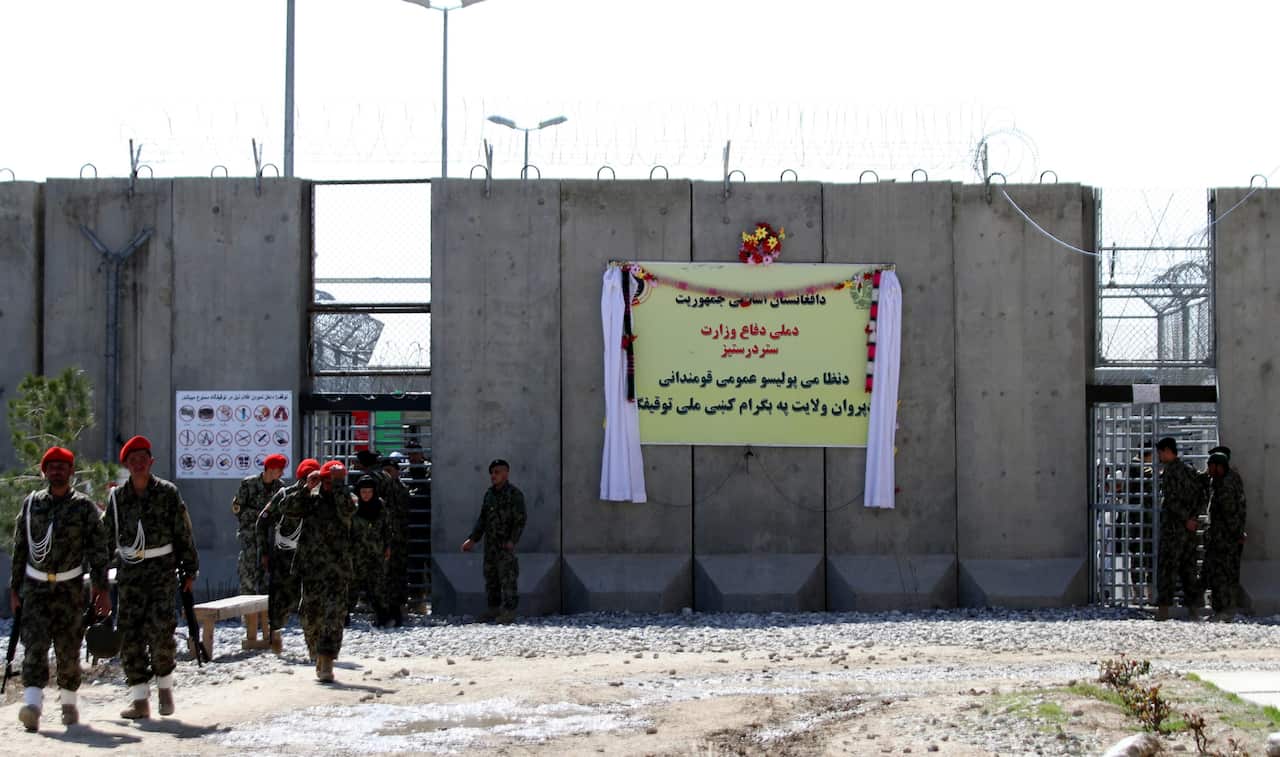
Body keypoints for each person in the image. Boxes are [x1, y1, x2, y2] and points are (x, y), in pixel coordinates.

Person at [9, 447, 112, 731]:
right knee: (34, 646)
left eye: (62, 466)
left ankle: (68, 704)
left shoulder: (84, 507)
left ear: (71, 472)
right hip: (36, 587)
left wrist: (101, 589)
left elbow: (98, 550)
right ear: (44, 472)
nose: (56, 471)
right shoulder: (31, 505)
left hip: (70, 588)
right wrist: (14, 588)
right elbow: (20, 548)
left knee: (69, 648)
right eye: (51, 466)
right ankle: (32, 706)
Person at [102, 435, 199, 719]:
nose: (138, 464)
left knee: (161, 632)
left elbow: (183, 531)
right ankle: (139, 699)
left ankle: (165, 689)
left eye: (143, 459)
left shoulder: (167, 492)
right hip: (130, 576)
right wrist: (98, 577)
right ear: (126, 465)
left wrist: (189, 569)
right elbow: (106, 538)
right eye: (133, 460)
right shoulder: (117, 499)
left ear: (151, 462)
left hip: (161, 573)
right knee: (130, 636)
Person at [279, 460, 356, 681]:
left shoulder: (346, 498)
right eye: (326, 480)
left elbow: (348, 510)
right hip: (311, 569)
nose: (329, 485)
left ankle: (327, 659)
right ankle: (316, 653)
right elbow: (286, 508)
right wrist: (305, 488)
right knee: (310, 616)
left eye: (333, 481)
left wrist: (339, 485)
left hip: (336, 570)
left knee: (334, 616)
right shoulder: (311, 499)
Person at [256, 458, 319, 654]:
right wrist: (264, 552)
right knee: (279, 599)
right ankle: (275, 634)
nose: (313, 482)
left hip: (311, 558)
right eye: (309, 477)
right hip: (285, 557)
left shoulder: (321, 497)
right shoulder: (286, 495)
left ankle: (314, 647)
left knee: (311, 601)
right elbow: (262, 521)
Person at [460, 459, 526, 624]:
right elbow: (482, 520)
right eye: (492, 473)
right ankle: (493, 609)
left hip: (505, 545)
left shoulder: (514, 495)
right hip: (490, 545)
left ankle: (509, 611)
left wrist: (512, 540)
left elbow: (520, 520)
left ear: (506, 473)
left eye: (497, 472)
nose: (493, 476)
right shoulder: (489, 495)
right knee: (491, 578)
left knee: (508, 578)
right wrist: (472, 540)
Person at [1153, 438, 1205, 621]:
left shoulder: (1170, 472)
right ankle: (1193, 610)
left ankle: (1163, 610)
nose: (1159, 456)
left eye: (1160, 452)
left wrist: (1185, 519)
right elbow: (1201, 496)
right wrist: (1193, 518)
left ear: (1168, 451)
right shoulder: (1190, 471)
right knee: (1189, 569)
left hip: (1173, 529)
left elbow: (1171, 501)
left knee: (1167, 569)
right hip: (1189, 531)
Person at [231, 454, 287, 595]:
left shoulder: (280, 487)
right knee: (248, 573)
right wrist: (261, 515)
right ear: (271, 469)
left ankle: (265, 605)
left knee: (267, 575)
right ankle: (247, 603)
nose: (282, 473)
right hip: (250, 536)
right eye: (280, 469)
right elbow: (237, 509)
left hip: (269, 537)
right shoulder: (249, 484)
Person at [1203, 451, 1247, 620]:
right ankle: (1224, 609)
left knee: (1222, 574)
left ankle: (1224, 610)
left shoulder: (1225, 486)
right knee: (1224, 573)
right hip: (1223, 536)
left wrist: (1237, 533)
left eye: (1211, 466)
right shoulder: (1226, 479)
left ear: (1219, 467)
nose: (1208, 469)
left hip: (1225, 538)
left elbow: (1230, 513)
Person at [348, 476, 391, 626]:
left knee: (377, 585)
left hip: (376, 552)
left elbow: (386, 527)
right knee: (352, 585)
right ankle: (344, 617)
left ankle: (382, 617)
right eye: (363, 491)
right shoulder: (353, 506)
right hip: (356, 553)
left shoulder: (380, 506)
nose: (366, 495)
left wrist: (387, 546)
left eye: (369, 491)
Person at [380, 456, 411, 627]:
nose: (386, 474)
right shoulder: (380, 488)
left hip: (398, 539)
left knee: (398, 574)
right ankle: (385, 610)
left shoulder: (401, 489)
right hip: (384, 538)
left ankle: (397, 609)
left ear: (397, 472)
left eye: (389, 471)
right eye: (384, 471)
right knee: (384, 575)